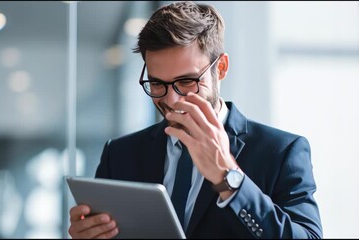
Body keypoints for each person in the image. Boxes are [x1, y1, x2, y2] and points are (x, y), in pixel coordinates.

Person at [68, 1, 323, 239]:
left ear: (220, 68)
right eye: (157, 84)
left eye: (187, 82)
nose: (172, 100)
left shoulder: (281, 152)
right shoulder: (120, 154)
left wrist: (229, 178)